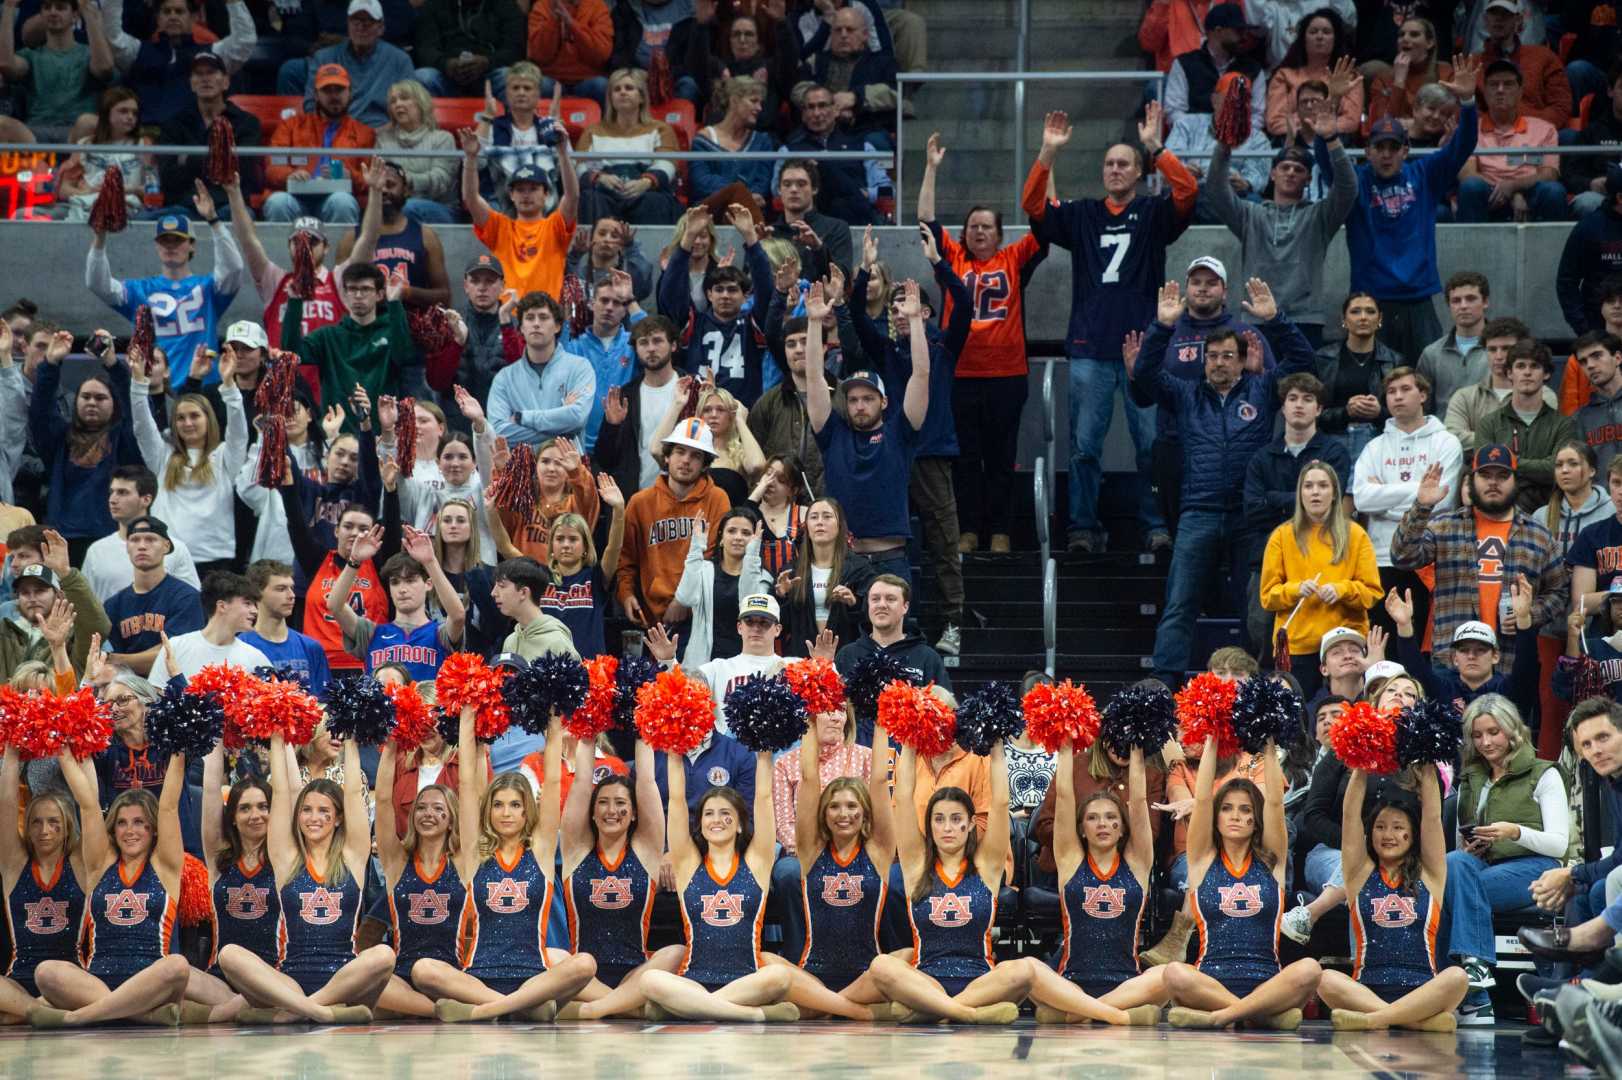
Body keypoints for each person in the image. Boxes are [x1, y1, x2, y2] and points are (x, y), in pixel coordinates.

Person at [1022, 106, 1196, 554]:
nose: (1115, 169)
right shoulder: (1082, 214)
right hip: (1089, 347)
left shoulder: (1154, 213)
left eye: (1124, 163)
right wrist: (1047, 153)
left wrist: (1157, 147)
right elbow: (1033, 207)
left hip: (1145, 350)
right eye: (1109, 163)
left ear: (1140, 173)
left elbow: (1188, 189)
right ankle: (1082, 527)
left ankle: (1156, 524)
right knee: (1083, 447)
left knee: (1150, 445)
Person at [1133, 277, 1317, 684]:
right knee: (1180, 602)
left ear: (1242, 358)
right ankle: (1164, 682)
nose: (1219, 362)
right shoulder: (1185, 394)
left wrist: (1276, 321)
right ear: (1204, 361)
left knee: (1254, 606)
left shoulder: (1264, 388)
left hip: (1248, 517)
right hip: (1198, 511)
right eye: (1212, 356)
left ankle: (1261, 679)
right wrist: (1163, 327)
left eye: (1228, 356)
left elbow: (1303, 361)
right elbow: (1145, 375)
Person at [914, 135, 1045, 553]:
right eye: (973, 226)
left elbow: (1046, 223)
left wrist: (1049, 161)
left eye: (987, 227)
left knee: (1002, 459)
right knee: (966, 459)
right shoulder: (952, 258)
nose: (979, 232)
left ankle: (1001, 531)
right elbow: (926, 222)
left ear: (1000, 234)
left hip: (1008, 375)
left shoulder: (1014, 258)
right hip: (961, 376)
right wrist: (931, 167)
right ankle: (968, 529)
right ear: (964, 233)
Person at [849, 227, 971, 654]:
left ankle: (951, 623)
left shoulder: (944, 347)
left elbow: (968, 303)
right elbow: (856, 314)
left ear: (928, 312)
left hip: (932, 454)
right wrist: (864, 270)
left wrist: (939, 262)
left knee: (942, 540)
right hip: (889, 456)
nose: (901, 311)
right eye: (897, 304)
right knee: (889, 540)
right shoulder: (885, 350)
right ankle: (894, 622)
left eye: (911, 304)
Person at [216, 731, 393, 1024]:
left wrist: (351, 735)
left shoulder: (352, 855)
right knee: (230, 955)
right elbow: (283, 793)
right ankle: (318, 1012)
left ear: (338, 818)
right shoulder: (286, 859)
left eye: (324, 811)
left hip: (345, 980)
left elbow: (351, 793)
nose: (314, 818)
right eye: (307, 810)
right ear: (297, 816)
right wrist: (275, 734)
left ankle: (296, 1012)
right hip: (290, 982)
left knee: (384, 955)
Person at [1162, 733, 1322, 1029]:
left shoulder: (1271, 862)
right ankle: (1259, 1015)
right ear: (1216, 816)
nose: (1235, 816)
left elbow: (1274, 802)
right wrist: (1210, 737)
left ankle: (1222, 1017)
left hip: (1267, 984)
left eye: (1245, 809)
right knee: (1174, 973)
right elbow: (1203, 798)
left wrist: (1271, 741)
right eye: (1227, 808)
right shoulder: (1202, 861)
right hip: (1209, 983)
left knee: (1311, 970)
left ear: (1255, 819)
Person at [863, 735, 1024, 1024]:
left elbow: (1000, 803)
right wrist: (911, 736)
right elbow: (902, 797)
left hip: (980, 982)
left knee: (1023, 970)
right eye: (938, 819)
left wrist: (997, 745)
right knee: (881, 965)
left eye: (956, 819)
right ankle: (966, 1014)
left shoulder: (986, 866)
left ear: (971, 824)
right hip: (926, 981)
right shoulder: (916, 866)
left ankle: (930, 1011)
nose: (947, 827)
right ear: (929, 825)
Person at [27, 751, 191, 1028]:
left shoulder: (166, 867)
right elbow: (88, 805)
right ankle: (139, 1015)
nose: (130, 831)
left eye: (140, 822)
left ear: (153, 829)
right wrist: (65, 751)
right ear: (112, 829)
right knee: (46, 972)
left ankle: (75, 1017)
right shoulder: (98, 866)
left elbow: (169, 807)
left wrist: (179, 749)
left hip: (151, 983)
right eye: (122, 823)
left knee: (177, 965)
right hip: (96, 982)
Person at [1338, 58, 1483, 363]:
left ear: (1405, 150)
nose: (1387, 154)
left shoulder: (1425, 175)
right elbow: (1330, 166)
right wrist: (1331, 111)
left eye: (1394, 147)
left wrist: (1469, 102)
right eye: (1379, 147)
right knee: (1374, 386)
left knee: (1427, 381)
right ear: (1368, 152)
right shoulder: (1356, 182)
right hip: (1371, 300)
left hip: (1418, 299)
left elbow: (1463, 144)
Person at [1390, 443, 1569, 674]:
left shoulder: (1538, 534)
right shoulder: (1445, 526)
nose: (1493, 482)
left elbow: (1559, 591)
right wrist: (1422, 506)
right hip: (1451, 661)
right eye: (1485, 475)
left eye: (1502, 475)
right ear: (1471, 480)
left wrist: (1529, 614)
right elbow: (1402, 557)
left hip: (1512, 664)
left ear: (1516, 481)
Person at [1446, 694, 1569, 1023]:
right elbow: (1463, 842)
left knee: (1456, 891)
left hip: (1537, 867)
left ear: (1513, 731)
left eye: (1494, 732)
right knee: (1453, 864)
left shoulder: (1544, 774)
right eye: (1477, 735)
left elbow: (1559, 844)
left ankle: (1469, 992)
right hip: (1486, 867)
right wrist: (1470, 848)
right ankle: (1471, 987)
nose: (1485, 742)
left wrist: (1514, 832)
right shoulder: (1472, 779)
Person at [1317, 765, 1467, 1030]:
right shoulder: (1358, 874)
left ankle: (1375, 1020)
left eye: (1398, 827)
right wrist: (1362, 764)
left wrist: (1428, 761)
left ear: (1413, 834)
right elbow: (1350, 814)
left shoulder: (1430, 874)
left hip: (1422, 989)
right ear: (1370, 833)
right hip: (1366, 991)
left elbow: (1432, 817)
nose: (1388, 835)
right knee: (1324, 978)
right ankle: (1415, 1022)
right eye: (1380, 827)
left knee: (1457, 977)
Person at [1208, 95, 1356, 350]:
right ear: (1272, 174)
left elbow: (1348, 188)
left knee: (1302, 389)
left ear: (1309, 179)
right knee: (1257, 389)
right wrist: (1224, 143)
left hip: (1306, 319)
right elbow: (1216, 191)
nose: (1290, 173)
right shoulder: (1250, 214)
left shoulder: (1319, 216)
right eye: (1285, 167)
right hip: (1256, 317)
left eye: (1298, 170)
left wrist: (1332, 140)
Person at [1038, 736, 1169, 1023]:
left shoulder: (1137, 864)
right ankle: (1122, 1016)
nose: (1103, 824)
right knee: (1027, 970)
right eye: (1093, 818)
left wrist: (1138, 746)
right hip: (1071, 981)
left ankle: (1078, 1014)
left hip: (1126, 984)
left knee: (1168, 974)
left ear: (1123, 828)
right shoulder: (1070, 862)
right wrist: (1064, 743)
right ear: (1081, 829)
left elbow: (1138, 801)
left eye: (1111, 818)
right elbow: (1063, 798)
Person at [806, 281, 928, 588]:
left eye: (868, 398)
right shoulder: (833, 434)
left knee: (895, 637)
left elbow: (921, 375)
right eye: (853, 399)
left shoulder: (900, 433)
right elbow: (813, 377)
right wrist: (813, 323)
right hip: (843, 560)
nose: (860, 405)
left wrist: (915, 322)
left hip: (891, 560)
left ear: (884, 402)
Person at [553, 735, 684, 1020]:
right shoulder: (576, 851)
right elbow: (580, 781)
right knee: (555, 957)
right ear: (592, 810)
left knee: (675, 951)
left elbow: (647, 781)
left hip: (635, 973)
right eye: (603, 803)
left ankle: (595, 1010)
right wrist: (588, 726)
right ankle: (631, 1008)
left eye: (621, 803)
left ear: (635, 813)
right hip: (584, 977)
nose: (612, 811)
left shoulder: (646, 852)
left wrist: (646, 727)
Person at [1242, 374, 1353, 658]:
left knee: (1326, 649)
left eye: (1307, 399)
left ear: (1319, 409)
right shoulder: (1262, 457)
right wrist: (1302, 502)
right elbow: (1253, 509)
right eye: (1292, 398)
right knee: (1263, 641)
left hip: (1326, 560)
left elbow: (1330, 507)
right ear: (1282, 407)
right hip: (1268, 558)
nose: (1299, 405)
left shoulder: (1335, 453)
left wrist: (1274, 498)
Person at [1351, 367, 1463, 639]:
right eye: (1391, 392)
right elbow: (1362, 499)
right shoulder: (1374, 447)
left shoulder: (1446, 442)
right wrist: (1419, 492)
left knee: (1421, 649)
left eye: (1405, 389)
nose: (1397, 397)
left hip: (1429, 559)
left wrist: (1385, 500)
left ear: (1423, 394)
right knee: (1384, 645)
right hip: (1380, 558)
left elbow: (1442, 501)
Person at [87, 202, 244, 394]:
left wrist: (214, 221)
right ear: (156, 245)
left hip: (204, 388)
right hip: (155, 389)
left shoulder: (208, 288)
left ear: (192, 244)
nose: (170, 246)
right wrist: (100, 238)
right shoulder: (140, 290)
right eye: (164, 241)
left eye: (177, 240)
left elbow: (234, 269)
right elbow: (97, 284)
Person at [223, 167, 383, 352]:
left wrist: (376, 192)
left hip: (326, 380)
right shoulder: (275, 281)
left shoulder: (339, 281)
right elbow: (247, 239)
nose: (305, 248)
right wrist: (234, 193)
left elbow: (369, 238)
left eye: (313, 242)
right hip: (283, 379)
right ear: (288, 246)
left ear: (326, 247)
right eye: (298, 242)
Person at [1259, 460, 1382, 686]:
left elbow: (1372, 593)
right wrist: (1296, 589)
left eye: (1323, 486)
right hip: (1297, 647)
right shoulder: (1281, 536)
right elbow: (1268, 597)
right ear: (1300, 494)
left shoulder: (1356, 535)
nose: (1315, 492)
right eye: (1308, 486)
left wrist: (1342, 590)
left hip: (1344, 645)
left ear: (1334, 493)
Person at [129, 345, 248, 574]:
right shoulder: (162, 455)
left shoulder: (225, 455)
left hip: (217, 560)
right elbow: (142, 425)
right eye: (181, 418)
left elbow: (239, 432)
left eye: (195, 416)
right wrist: (138, 383)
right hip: (170, 559)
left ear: (209, 419)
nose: (188, 423)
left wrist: (230, 385)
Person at [26, 332, 144, 555]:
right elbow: (41, 412)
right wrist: (50, 364)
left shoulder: (123, 439)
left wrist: (112, 364)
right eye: (86, 397)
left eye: (100, 398)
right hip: (63, 540)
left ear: (114, 403)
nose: (92, 402)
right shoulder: (60, 440)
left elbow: (135, 410)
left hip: (111, 538)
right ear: (76, 400)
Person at [371, 739, 464, 1020]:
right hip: (402, 977)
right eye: (421, 808)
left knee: (427, 972)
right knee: (364, 981)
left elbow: (474, 792)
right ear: (411, 817)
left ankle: (446, 1007)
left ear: (451, 820)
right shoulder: (398, 862)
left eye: (438, 809)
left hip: (451, 975)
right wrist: (390, 743)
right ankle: (445, 1012)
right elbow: (383, 800)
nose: (428, 814)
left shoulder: (463, 862)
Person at [616, 417, 732, 630]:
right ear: (667, 457)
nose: (686, 460)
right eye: (680, 451)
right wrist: (626, 595)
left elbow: (715, 559)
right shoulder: (640, 502)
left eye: (695, 455)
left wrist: (683, 601)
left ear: (705, 464)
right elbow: (626, 560)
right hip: (650, 619)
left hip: (701, 614)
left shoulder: (718, 498)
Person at [1528, 700, 1622, 956]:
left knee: (1610, 882)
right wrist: (1575, 878)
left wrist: (1571, 874)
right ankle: (1575, 983)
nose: (1596, 750)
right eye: (1586, 745)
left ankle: (1596, 959)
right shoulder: (1614, 783)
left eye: (1603, 738)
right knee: (1585, 893)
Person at [0, 747, 87, 1020]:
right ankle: (38, 1011)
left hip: (66, 978)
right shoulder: (15, 865)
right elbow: (5, 805)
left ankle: (20, 1013)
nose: (44, 830)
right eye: (36, 822)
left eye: (53, 822)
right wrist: (12, 750)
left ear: (67, 825)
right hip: (18, 980)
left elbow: (90, 806)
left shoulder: (79, 864)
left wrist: (66, 750)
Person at [658, 204, 774, 407]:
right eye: (719, 290)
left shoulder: (754, 323)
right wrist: (687, 239)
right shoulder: (694, 323)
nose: (725, 295)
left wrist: (750, 237)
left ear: (745, 295)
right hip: (698, 412)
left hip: (741, 413)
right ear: (708, 294)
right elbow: (671, 294)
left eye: (732, 290)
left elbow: (766, 288)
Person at [282, 262, 413, 434]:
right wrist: (294, 301)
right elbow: (291, 353)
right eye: (352, 289)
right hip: (337, 437)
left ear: (380, 294)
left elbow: (404, 356)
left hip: (382, 437)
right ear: (344, 294)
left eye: (365, 289)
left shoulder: (391, 333)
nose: (358, 295)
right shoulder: (327, 337)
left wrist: (395, 302)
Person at [327, 524, 466, 681]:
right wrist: (354, 561)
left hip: (428, 705)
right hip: (381, 706)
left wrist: (430, 562)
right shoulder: (371, 634)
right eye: (395, 582)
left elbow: (458, 615)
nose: (402, 589)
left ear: (428, 584)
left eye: (410, 580)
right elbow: (335, 606)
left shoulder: (440, 634)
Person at [461, 118, 580, 302]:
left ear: (546, 194)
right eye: (520, 189)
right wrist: (470, 158)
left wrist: (563, 153)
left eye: (533, 189)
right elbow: (471, 199)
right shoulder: (500, 227)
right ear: (511, 195)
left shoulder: (554, 226)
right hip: (508, 319)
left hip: (545, 318)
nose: (526, 195)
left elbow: (572, 197)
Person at [100, 0, 255, 129]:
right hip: (144, 137)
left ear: (193, 18)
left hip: (191, 139)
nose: (172, 16)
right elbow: (112, 36)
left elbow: (244, 41)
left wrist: (233, 2)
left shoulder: (211, 54)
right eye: (166, 12)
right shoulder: (137, 51)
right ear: (158, 19)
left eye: (179, 12)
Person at [834, 575, 952, 744]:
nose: (882, 604)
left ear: (905, 606)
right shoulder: (848, 655)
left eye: (890, 599)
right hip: (856, 758)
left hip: (911, 757)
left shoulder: (927, 657)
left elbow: (945, 713)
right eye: (875, 599)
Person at [1387, 586, 1539, 716]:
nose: (1471, 656)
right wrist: (1404, 625)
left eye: (1480, 650)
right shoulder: (1442, 689)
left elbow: (1526, 666)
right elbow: (1415, 669)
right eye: (1464, 650)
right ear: (1454, 658)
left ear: (1495, 656)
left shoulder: (1508, 690)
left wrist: (1523, 619)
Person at [198, 757, 274, 1018]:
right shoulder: (219, 859)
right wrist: (214, 727)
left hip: (272, 977)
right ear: (232, 817)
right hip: (222, 979)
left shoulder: (284, 860)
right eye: (245, 808)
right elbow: (210, 789)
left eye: (263, 806)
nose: (255, 815)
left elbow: (291, 793)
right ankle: (242, 1008)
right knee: (177, 973)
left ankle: (220, 1014)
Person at [264, 64, 376, 225]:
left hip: (337, 197)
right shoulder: (291, 125)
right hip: (295, 196)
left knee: (342, 202)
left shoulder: (365, 133)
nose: (334, 96)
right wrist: (289, 174)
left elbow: (371, 180)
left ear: (350, 93)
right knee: (277, 202)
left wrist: (350, 176)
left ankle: (343, 251)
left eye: (339, 90)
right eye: (327, 90)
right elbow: (272, 167)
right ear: (316, 95)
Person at [1456, 59, 1565, 224]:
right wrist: (1507, 191)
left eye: (1508, 84)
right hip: (1488, 195)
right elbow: (1466, 174)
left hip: (1530, 194)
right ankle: (1472, 249)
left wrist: (1514, 187)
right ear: (1485, 92)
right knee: (1471, 187)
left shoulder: (1544, 129)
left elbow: (1549, 174)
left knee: (1553, 190)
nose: (1500, 90)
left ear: (1520, 92)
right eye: (1493, 84)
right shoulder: (1469, 130)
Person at [338, 162, 453, 313]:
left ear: (406, 190)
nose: (384, 190)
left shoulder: (426, 236)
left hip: (410, 325)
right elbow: (340, 294)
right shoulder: (351, 237)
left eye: (390, 184)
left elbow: (444, 297)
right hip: (368, 327)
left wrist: (407, 292)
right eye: (378, 187)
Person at [1476, 341, 1577, 510]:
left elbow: (1556, 470)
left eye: (1535, 366)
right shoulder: (1489, 423)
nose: (1527, 372)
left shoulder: (1563, 424)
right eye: (1520, 366)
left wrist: (1509, 462)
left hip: (1551, 509)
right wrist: (1537, 467)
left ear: (1546, 374)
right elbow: (1485, 471)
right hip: (1501, 509)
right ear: (1509, 373)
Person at [487, 291, 596, 449]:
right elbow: (498, 433)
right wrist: (563, 426)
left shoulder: (580, 368)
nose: (536, 323)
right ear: (522, 328)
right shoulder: (504, 378)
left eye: (543, 317)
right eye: (530, 318)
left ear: (558, 326)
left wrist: (523, 417)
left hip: (567, 468)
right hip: (521, 472)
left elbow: (578, 417)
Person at [575, 68, 681, 226]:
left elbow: (667, 163)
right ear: (611, 98)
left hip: (646, 189)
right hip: (605, 190)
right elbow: (581, 165)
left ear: (642, 97)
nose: (622, 92)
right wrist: (600, 178)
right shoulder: (593, 131)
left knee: (655, 201)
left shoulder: (660, 129)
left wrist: (646, 182)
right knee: (590, 199)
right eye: (616, 89)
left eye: (629, 88)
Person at [776, 497, 875, 659]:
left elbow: (872, 622)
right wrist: (781, 597)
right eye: (814, 517)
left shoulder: (860, 568)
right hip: (801, 660)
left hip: (846, 658)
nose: (819, 522)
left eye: (827, 516)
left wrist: (853, 604)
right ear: (806, 526)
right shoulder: (791, 571)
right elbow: (781, 628)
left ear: (840, 525)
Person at [102, 517, 203, 676]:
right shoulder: (113, 605)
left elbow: (172, 655)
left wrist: (114, 659)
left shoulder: (187, 597)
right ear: (127, 547)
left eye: (150, 539)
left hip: (173, 688)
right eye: (135, 540)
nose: (142, 546)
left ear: (166, 546)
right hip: (126, 690)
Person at [779, 83, 889, 228]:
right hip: (809, 221)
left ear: (836, 110)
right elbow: (778, 191)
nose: (817, 113)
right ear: (803, 115)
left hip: (854, 217)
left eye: (822, 105)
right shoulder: (788, 151)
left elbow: (887, 191)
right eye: (811, 107)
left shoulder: (863, 147)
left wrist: (866, 193)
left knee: (828, 173)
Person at [301, 0, 423, 128]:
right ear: (348, 24)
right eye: (356, 21)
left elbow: (410, 108)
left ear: (381, 27)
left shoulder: (400, 60)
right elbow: (310, 105)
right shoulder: (323, 58)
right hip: (335, 133)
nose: (360, 27)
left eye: (368, 22)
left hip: (383, 136)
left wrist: (384, 132)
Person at [671, 511, 770, 668]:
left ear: (754, 539)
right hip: (703, 664)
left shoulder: (763, 577)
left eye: (746, 533)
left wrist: (751, 556)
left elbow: (750, 608)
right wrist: (696, 548)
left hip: (744, 667)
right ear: (721, 539)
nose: (738, 537)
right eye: (731, 531)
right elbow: (685, 598)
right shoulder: (703, 569)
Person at [0, 0, 111, 140]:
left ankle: (72, 162)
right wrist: (9, 7)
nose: (53, 12)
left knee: (89, 122)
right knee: (1, 123)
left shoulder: (89, 54)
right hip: (34, 134)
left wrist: (87, 11)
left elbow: (104, 68)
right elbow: (5, 64)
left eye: (60, 7)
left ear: (75, 16)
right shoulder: (30, 55)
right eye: (47, 7)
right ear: (41, 15)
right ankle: (37, 161)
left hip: (78, 134)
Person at [537, 489, 623, 659]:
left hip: (589, 671)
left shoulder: (596, 578)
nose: (566, 545)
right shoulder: (539, 577)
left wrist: (619, 510)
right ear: (551, 545)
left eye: (573, 539)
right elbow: (506, 548)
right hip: (544, 671)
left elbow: (614, 548)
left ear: (585, 547)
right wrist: (490, 510)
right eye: (560, 539)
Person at [1315, 296, 1401, 465]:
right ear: (1344, 320)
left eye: (1370, 311)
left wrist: (1379, 413)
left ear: (1380, 319)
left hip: (1382, 441)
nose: (1363, 317)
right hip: (1332, 441)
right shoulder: (1323, 359)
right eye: (1355, 311)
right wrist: (1346, 412)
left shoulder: (1395, 361)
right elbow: (1312, 413)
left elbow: (1407, 414)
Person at [650, 381, 765, 508]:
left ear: (731, 416)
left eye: (721, 409)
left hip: (730, 524)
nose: (714, 415)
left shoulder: (739, 453)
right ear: (700, 415)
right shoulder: (690, 452)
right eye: (707, 410)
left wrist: (740, 420)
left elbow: (757, 465)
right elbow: (657, 450)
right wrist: (677, 404)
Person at [148, 571, 272, 687]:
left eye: (255, 605)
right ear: (222, 606)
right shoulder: (176, 646)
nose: (255, 611)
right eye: (247, 603)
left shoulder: (255, 658)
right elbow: (155, 694)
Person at [1162, 3, 1266, 133]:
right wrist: (1204, 132)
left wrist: (1233, 134)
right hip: (1193, 145)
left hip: (1240, 145)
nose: (1244, 37)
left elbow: (1257, 116)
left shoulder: (1253, 69)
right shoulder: (1185, 64)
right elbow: (1174, 112)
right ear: (1218, 31)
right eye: (1238, 31)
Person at [1444, 317, 1540, 454]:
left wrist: (1480, 437)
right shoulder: (1464, 397)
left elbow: (1538, 438)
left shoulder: (1542, 394)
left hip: (1526, 473)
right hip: (1476, 472)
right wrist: (1511, 438)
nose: (1499, 356)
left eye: (1506, 348)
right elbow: (1452, 437)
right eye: (1492, 349)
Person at [1264, 12, 1363, 140]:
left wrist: (1303, 121)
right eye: (1313, 32)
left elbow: (1351, 122)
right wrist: (1316, 125)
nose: (1320, 36)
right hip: (1292, 143)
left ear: (1336, 39)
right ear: (1303, 39)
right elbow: (1275, 123)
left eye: (1326, 32)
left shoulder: (1349, 76)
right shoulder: (1284, 75)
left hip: (1337, 142)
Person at [59, 86, 150, 225]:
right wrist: (87, 192)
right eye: (123, 111)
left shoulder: (144, 145)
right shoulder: (85, 144)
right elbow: (63, 189)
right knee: (22, 214)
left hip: (126, 207)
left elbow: (153, 191)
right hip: (86, 204)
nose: (131, 117)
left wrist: (123, 190)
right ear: (107, 113)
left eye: (134, 113)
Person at [1471, 0, 1570, 128]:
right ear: (1485, 20)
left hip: (1537, 137)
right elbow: (1466, 109)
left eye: (1506, 13)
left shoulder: (1544, 57)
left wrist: (1530, 127)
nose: (1499, 18)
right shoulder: (1473, 64)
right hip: (1489, 137)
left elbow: (1561, 106)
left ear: (1518, 20)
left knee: (1569, 137)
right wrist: (1499, 127)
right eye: (1494, 13)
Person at [688, 76, 778, 214]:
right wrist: (740, 196)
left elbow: (762, 183)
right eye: (753, 101)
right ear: (734, 101)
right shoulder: (703, 141)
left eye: (761, 103)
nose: (759, 108)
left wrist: (742, 198)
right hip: (711, 213)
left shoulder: (763, 141)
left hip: (751, 212)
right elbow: (701, 182)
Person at [241, 560, 331, 697]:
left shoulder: (311, 647)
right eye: (281, 589)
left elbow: (325, 702)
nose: (291, 596)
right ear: (256, 593)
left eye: (291, 588)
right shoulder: (241, 647)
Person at [375, 79, 459, 224]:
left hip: (440, 208)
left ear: (421, 103)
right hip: (395, 206)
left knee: (408, 207)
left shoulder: (443, 139)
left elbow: (442, 182)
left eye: (404, 98)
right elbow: (382, 181)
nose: (398, 104)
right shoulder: (384, 141)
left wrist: (409, 179)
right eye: (393, 101)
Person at [413, 0, 524, 100]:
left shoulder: (506, 5)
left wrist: (488, 62)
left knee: (509, 78)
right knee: (423, 77)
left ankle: (508, 122)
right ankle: (429, 123)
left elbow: (515, 50)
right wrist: (446, 64)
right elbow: (424, 49)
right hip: (446, 75)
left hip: (490, 74)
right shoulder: (433, 5)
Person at [1417, 272, 1492, 416]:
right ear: (1449, 305)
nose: (1463, 306)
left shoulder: (1505, 350)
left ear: (1485, 302)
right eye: (1456, 301)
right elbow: (1422, 408)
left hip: (1490, 434)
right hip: (1444, 434)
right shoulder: (1432, 354)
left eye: (1471, 299)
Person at [1559, 171, 1622, 338]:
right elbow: (1567, 281)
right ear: (1620, 198)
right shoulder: (1588, 228)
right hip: (1596, 328)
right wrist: (1584, 329)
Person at [1364, 17, 1453, 132]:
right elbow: (1383, 126)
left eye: (1414, 34)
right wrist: (1399, 82)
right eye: (1401, 35)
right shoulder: (1382, 79)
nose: (1405, 39)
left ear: (1430, 43)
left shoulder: (1445, 72)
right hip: (1396, 145)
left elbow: (1453, 118)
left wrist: (1415, 125)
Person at [525, 0, 612, 103]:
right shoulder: (542, 6)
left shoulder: (597, 6)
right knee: (537, 86)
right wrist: (553, 21)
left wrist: (572, 24)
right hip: (551, 78)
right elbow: (538, 55)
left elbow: (601, 54)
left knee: (602, 86)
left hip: (587, 78)